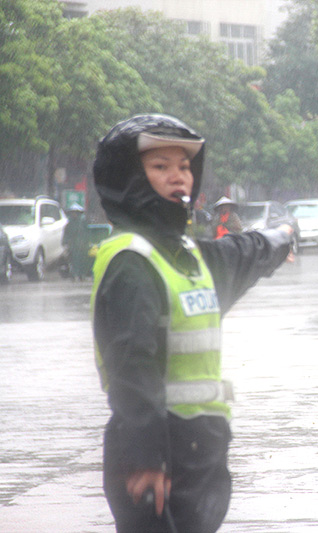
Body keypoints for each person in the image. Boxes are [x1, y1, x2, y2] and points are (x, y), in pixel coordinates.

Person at [90, 114, 292, 532]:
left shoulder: (191, 256)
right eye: (160, 166)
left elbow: (243, 253)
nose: (177, 176)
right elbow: (131, 361)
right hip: (156, 451)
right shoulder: (132, 262)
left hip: (200, 448)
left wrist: (283, 236)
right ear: (129, 176)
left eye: (184, 166)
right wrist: (145, 456)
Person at [62, 203, 92, 280]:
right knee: (73, 261)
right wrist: (65, 243)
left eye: (76, 212)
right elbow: (66, 234)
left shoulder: (83, 222)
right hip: (73, 245)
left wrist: (88, 242)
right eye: (72, 212)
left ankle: (82, 275)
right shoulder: (69, 224)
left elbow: (88, 233)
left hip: (82, 245)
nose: (74, 214)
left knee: (82, 260)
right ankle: (74, 274)